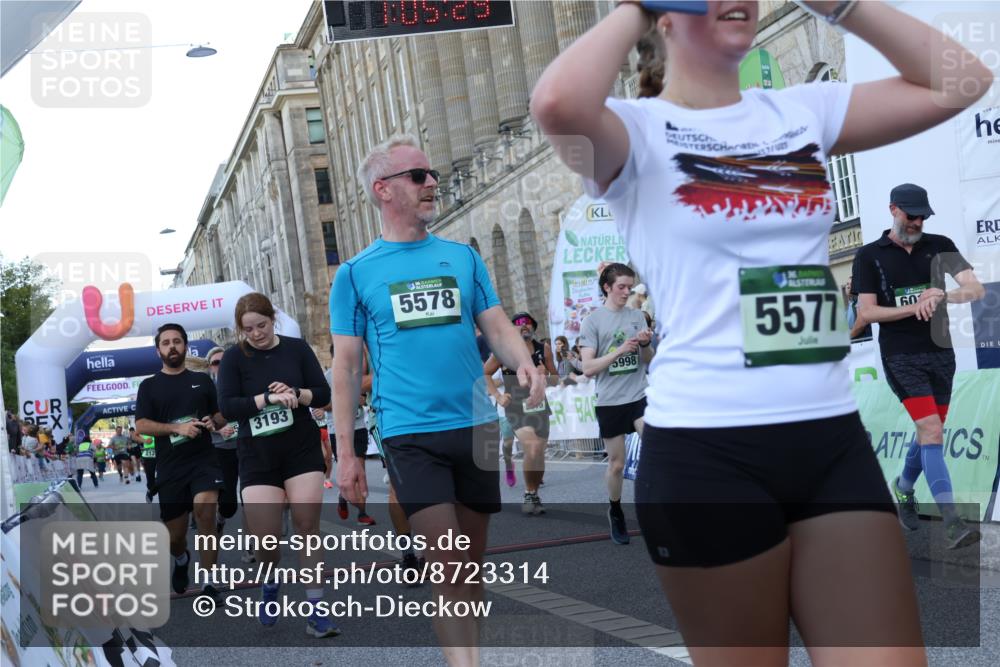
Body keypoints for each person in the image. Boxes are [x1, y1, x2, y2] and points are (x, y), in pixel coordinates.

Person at [531, 0, 990, 661]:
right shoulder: (633, 131)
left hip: (830, 440)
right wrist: (634, 7)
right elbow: (555, 102)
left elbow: (964, 79)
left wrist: (842, 7)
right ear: (668, 15)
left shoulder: (800, 111)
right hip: (706, 454)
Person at [331, 134, 544, 665]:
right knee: (447, 563)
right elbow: (347, 366)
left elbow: (494, 323)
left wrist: (522, 358)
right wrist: (346, 452)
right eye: (418, 175)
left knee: (469, 568)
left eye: (431, 174)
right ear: (383, 190)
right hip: (408, 432)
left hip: (474, 426)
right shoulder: (356, 274)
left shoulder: (461, 258)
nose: (432, 183)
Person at [855, 183, 985, 549]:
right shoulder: (869, 255)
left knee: (932, 430)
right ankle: (953, 522)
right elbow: (866, 312)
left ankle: (904, 487)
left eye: (922, 216)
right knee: (930, 428)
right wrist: (913, 308)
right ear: (893, 209)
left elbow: (976, 290)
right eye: (911, 216)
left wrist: (945, 294)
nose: (917, 222)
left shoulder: (939, 244)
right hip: (900, 356)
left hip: (941, 352)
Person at [216, 293, 338, 637]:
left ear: (273, 319)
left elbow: (323, 394)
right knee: (267, 541)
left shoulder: (296, 349)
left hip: (300, 450)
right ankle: (270, 583)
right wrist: (267, 398)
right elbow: (228, 406)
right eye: (248, 329)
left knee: (306, 528)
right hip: (258, 457)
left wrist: (297, 394)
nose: (256, 334)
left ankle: (317, 611)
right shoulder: (232, 359)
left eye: (262, 325)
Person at [135, 323, 227, 604]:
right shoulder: (149, 386)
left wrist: (215, 421)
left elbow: (220, 414)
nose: (172, 346)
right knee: (175, 536)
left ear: (186, 346)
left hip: (203, 459)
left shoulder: (202, 381)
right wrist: (176, 429)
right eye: (166, 342)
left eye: (177, 341)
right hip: (171, 466)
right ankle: (182, 557)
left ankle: (209, 582)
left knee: (206, 509)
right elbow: (141, 425)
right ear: (158, 350)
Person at [578, 263, 653, 544]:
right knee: (617, 465)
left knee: (657, 448)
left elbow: (649, 361)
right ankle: (616, 510)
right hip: (610, 401)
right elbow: (587, 368)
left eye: (629, 286)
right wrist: (619, 350)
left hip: (639, 395)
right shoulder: (593, 321)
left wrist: (645, 345)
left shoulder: (637, 317)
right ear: (606, 287)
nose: (626, 291)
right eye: (621, 286)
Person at [483, 312, 557, 515]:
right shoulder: (504, 351)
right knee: (531, 448)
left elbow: (556, 378)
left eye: (527, 324)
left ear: (533, 327)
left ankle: (533, 492)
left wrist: (545, 374)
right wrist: (498, 396)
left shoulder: (544, 349)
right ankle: (528, 493)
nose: (523, 327)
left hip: (540, 406)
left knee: (539, 455)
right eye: (517, 324)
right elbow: (485, 373)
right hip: (515, 407)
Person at [322, 341, 376, 526]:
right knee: (347, 470)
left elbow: (366, 398)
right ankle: (343, 494)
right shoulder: (328, 377)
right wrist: (345, 400)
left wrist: (359, 400)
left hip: (359, 426)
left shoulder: (358, 374)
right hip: (337, 430)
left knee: (360, 469)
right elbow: (323, 404)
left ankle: (362, 513)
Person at [201, 346, 239, 533]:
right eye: (216, 363)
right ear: (210, 367)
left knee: (252, 497)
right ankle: (221, 517)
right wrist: (219, 430)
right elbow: (202, 422)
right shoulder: (205, 391)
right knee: (228, 504)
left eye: (225, 362)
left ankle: (252, 546)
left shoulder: (243, 383)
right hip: (221, 450)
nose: (221, 366)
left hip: (247, 446)